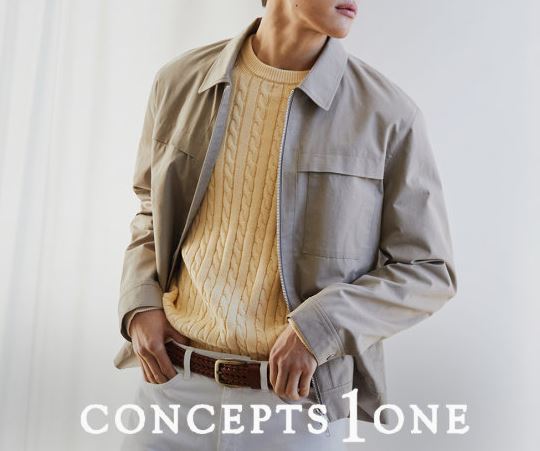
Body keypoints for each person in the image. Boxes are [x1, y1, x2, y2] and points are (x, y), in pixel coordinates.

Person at [113, 1, 458, 449]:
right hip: (171, 392)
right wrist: (139, 302)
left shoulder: (387, 114)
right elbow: (151, 208)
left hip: (296, 409)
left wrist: (321, 327)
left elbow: (428, 270)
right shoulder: (179, 82)